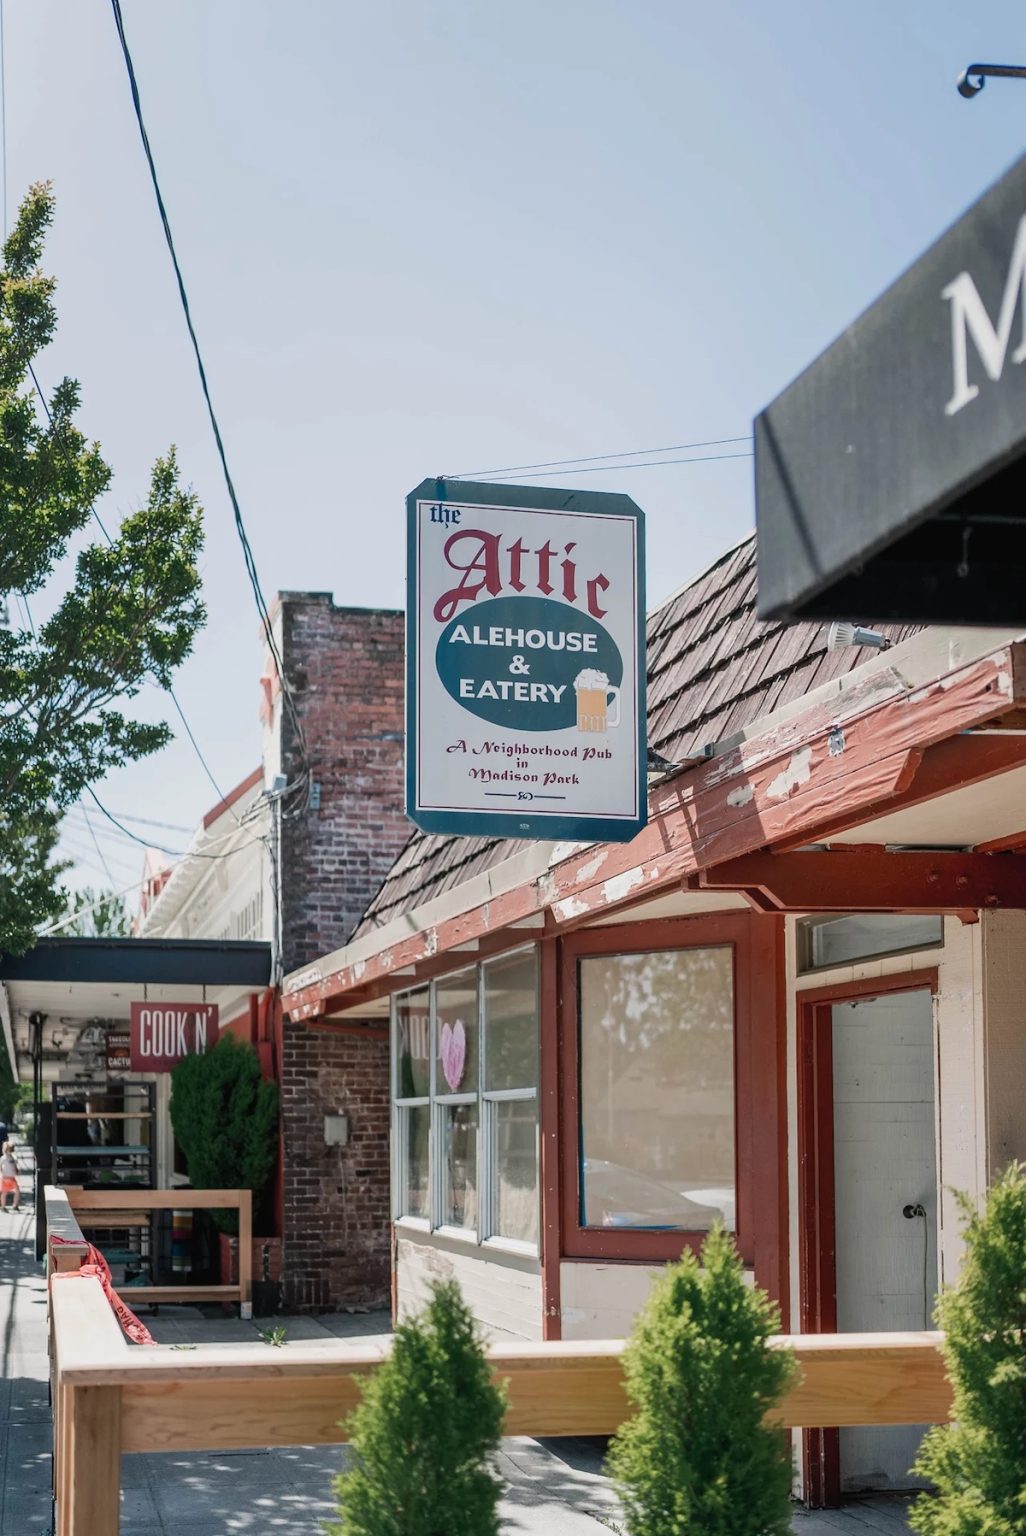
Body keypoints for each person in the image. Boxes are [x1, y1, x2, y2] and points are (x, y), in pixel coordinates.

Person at [1, 1142, 20, 1212]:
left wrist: (17, 1170)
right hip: (5, 1177)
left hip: (12, 1177)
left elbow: (15, 1166)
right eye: (8, 1150)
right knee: (4, 1192)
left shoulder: (13, 1157)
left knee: (17, 1191)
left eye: (11, 1150)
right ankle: (3, 1206)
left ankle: (15, 1205)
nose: (9, 1151)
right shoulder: (3, 1158)